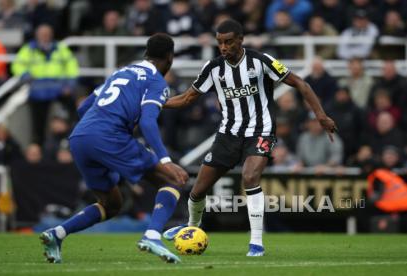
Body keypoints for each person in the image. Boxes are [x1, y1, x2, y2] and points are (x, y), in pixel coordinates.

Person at [161, 19, 337, 257]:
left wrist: (321, 115)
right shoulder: (213, 68)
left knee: (250, 177)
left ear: (241, 40)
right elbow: (187, 98)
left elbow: (300, 83)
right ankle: (193, 227)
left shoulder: (261, 61)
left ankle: (256, 242)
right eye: (220, 42)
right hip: (228, 134)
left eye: (228, 42)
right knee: (198, 191)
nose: (223, 47)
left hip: (261, 130)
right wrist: (156, 104)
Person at [40, 33, 188, 264]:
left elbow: (83, 108)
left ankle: (56, 234)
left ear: (146, 53)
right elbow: (148, 123)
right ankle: (152, 236)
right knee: (172, 180)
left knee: (111, 204)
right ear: (169, 57)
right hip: (110, 136)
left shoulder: (122, 71)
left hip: (80, 137)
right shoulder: (156, 81)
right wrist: (166, 160)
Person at [11, 24, 79, 145]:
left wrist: (70, 85)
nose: (45, 36)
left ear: (51, 35)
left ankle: (72, 140)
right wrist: (25, 75)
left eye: (47, 34)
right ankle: (39, 147)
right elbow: (17, 65)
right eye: (42, 34)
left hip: (58, 87)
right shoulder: (28, 49)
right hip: (38, 89)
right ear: (37, 35)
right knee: (38, 123)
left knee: (72, 111)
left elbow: (72, 65)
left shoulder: (60, 48)